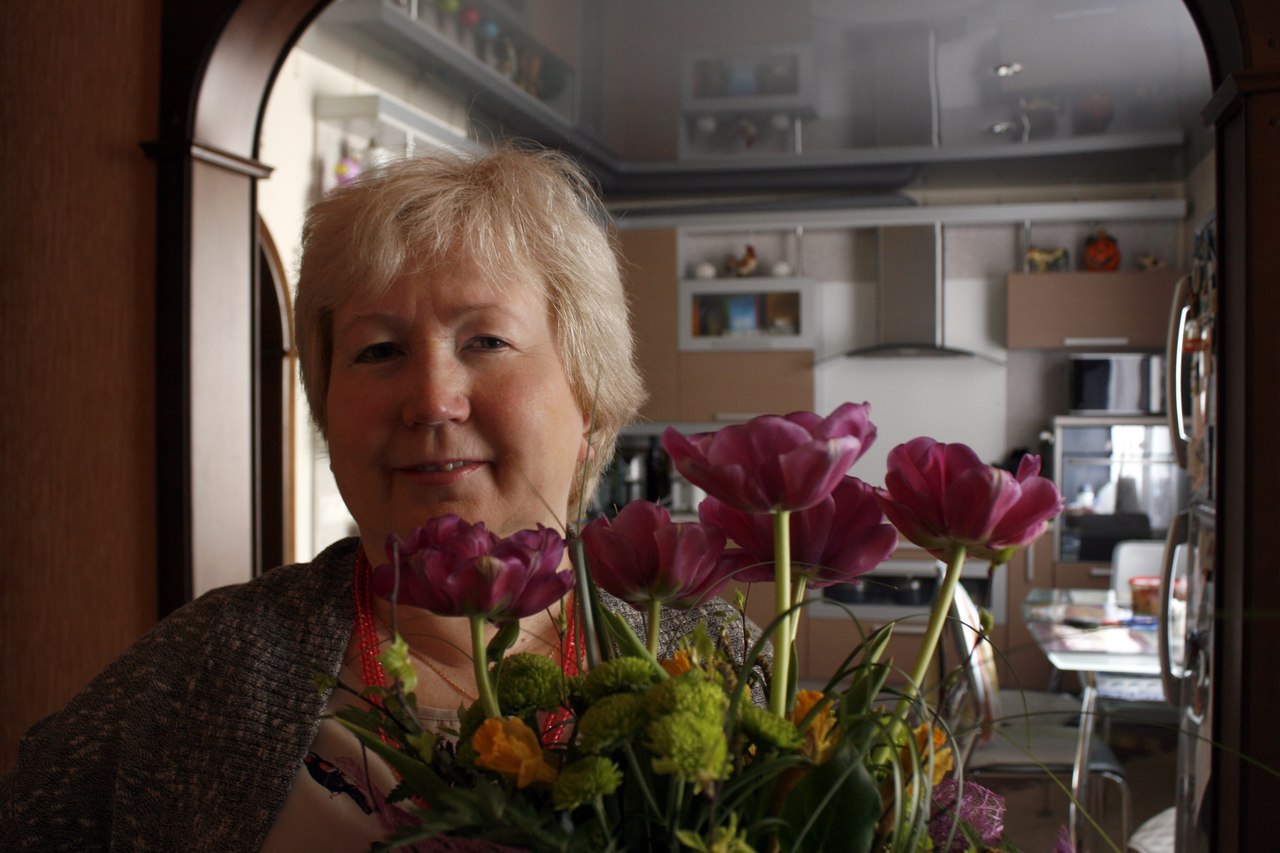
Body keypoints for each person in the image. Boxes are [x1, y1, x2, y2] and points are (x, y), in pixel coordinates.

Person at [0, 145, 765, 850]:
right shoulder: (206, 666)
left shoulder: (715, 661)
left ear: (589, 401)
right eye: (379, 350)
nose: (431, 399)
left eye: (486, 341)